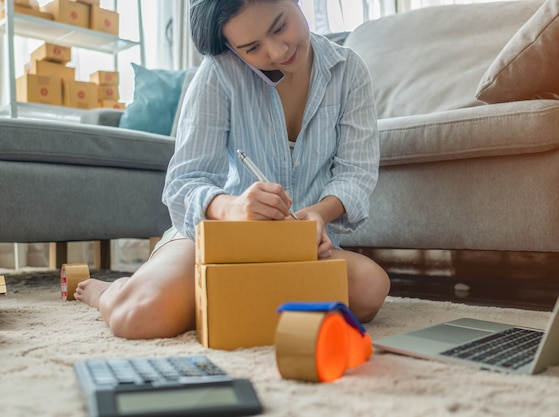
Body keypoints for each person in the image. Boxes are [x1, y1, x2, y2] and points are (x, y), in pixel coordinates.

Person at [75, 0, 390, 339]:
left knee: (371, 289)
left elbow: (355, 174)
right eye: (251, 47)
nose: (277, 50)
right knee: (138, 317)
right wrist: (233, 207)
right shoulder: (219, 72)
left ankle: (218, 300)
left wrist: (317, 214)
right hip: (215, 239)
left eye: (280, 25)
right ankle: (110, 291)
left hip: (299, 250)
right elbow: (184, 183)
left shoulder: (349, 71)